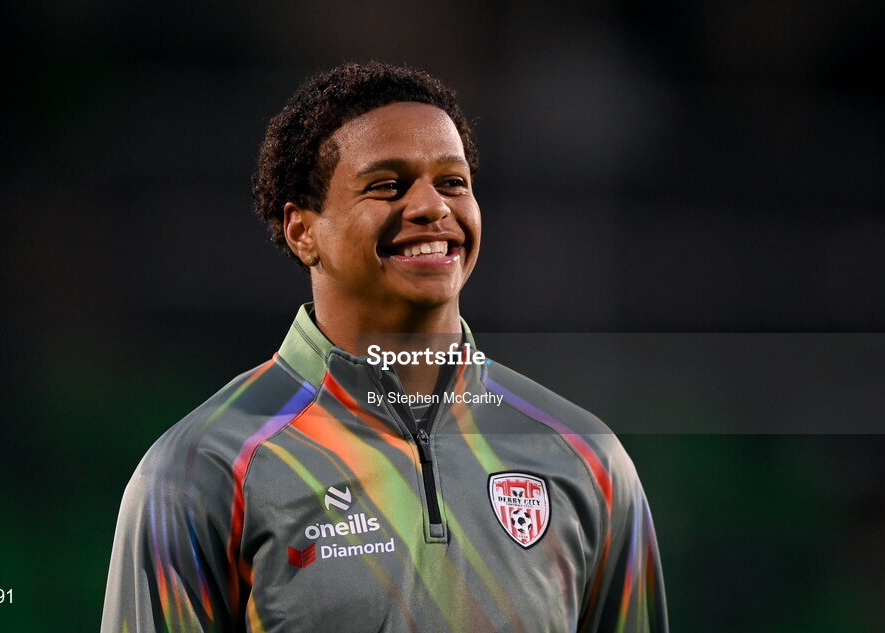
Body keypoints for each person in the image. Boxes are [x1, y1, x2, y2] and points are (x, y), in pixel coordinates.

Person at [101, 61, 668, 633]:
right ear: (303, 231)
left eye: (452, 182)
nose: (431, 207)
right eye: (387, 185)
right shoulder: (205, 468)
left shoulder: (583, 456)